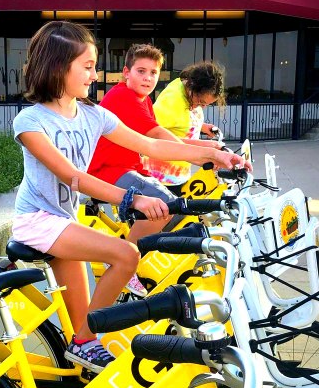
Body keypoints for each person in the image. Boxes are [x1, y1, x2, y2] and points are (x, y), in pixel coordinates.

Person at [12, 21, 216, 373]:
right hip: (37, 222)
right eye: (87, 66)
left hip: (64, 222)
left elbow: (151, 145)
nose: (95, 75)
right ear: (59, 67)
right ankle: (84, 344)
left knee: (83, 331)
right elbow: (73, 177)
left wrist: (212, 155)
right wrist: (133, 199)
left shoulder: (93, 114)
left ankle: (80, 359)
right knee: (126, 255)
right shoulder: (30, 121)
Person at [88, 44, 246, 294]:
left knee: (169, 207)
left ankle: (131, 253)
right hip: (107, 171)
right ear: (126, 73)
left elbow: (166, 137)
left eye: (153, 72)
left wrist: (209, 148)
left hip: (127, 167)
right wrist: (207, 155)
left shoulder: (142, 100)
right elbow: (158, 139)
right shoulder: (124, 98)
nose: (148, 78)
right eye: (141, 71)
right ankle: (121, 261)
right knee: (164, 207)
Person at [152, 60, 230, 184]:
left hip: (179, 173)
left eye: (207, 105)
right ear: (193, 87)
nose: (202, 107)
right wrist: (206, 148)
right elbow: (152, 136)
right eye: (200, 102)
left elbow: (178, 121)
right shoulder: (171, 101)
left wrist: (202, 126)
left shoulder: (186, 88)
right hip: (162, 176)